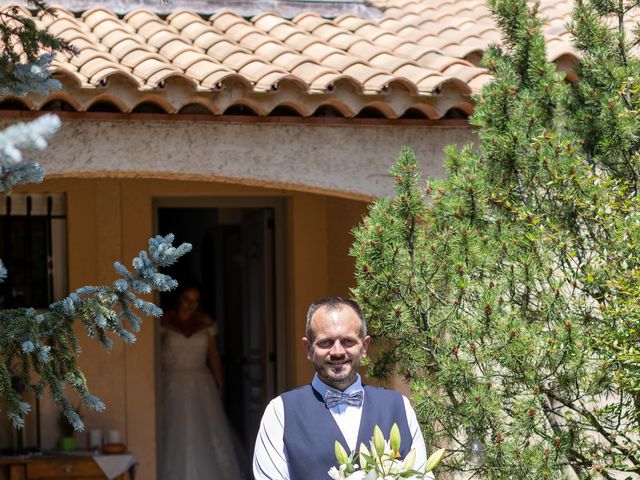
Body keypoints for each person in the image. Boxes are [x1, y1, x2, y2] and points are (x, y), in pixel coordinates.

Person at [253, 296, 432, 480]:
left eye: (348, 341)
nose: (337, 352)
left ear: (364, 346)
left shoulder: (398, 407)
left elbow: (422, 475)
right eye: (326, 343)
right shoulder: (280, 412)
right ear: (308, 348)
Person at [160, 283, 242, 480]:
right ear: (179, 298)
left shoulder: (206, 322)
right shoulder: (165, 321)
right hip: (172, 381)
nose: (191, 305)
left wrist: (219, 381)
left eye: (195, 301)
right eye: (187, 300)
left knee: (207, 430)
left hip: (201, 382)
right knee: (174, 431)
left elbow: (213, 354)